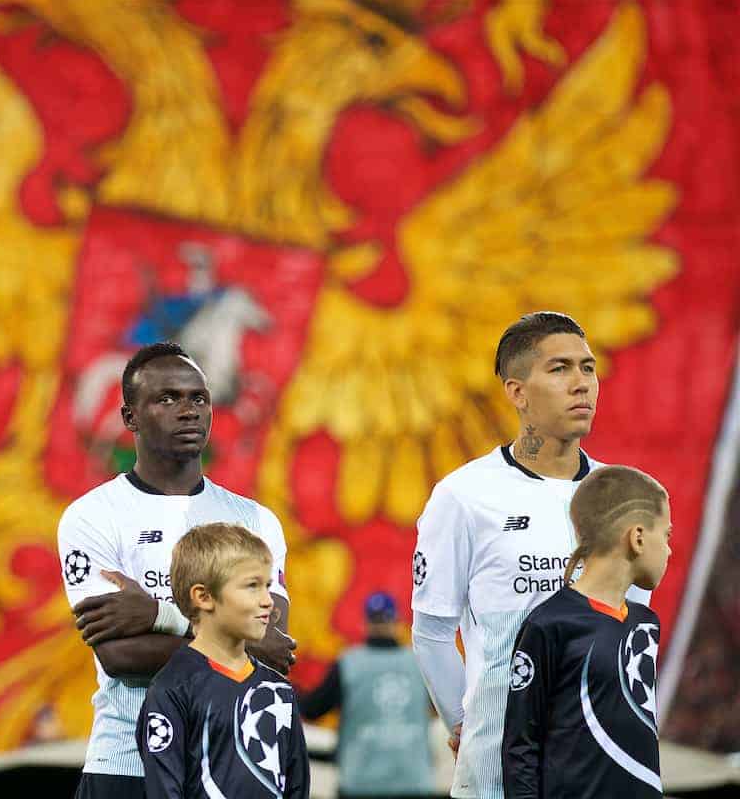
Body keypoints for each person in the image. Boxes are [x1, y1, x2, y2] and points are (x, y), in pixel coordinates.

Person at [409, 311, 650, 799]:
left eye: (588, 367)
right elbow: (432, 632)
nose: (581, 383)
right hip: (498, 769)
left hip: (602, 764)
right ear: (517, 391)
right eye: (559, 369)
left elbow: (632, 632)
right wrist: (465, 725)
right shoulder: (465, 495)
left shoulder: (625, 496)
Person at [58, 341, 296, 799]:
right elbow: (120, 658)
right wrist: (227, 633)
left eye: (198, 398)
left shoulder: (254, 520)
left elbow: (270, 648)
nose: (188, 411)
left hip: (233, 765)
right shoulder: (92, 516)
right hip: (127, 764)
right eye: (167, 399)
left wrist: (157, 616)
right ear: (130, 418)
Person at [502, 465, 671, 798]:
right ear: (637, 537)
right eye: (666, 535)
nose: (669, 549)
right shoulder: (549, 625)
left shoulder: (646, 623)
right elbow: (520, 748)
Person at [137, 522, 310, 799]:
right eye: (252, 586)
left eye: (267, 585)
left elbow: (296, 787)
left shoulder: (279, 691)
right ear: (204, 597)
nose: (268, 602)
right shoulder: (172, 689)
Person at [300, 591, 434, 798]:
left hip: (360, 781)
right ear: (397, 622)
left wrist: (283, 686)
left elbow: (312, 709)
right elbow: (446, 709)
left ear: (365, 623)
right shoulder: (420, 663)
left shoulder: (348, 664)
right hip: (412, 779)